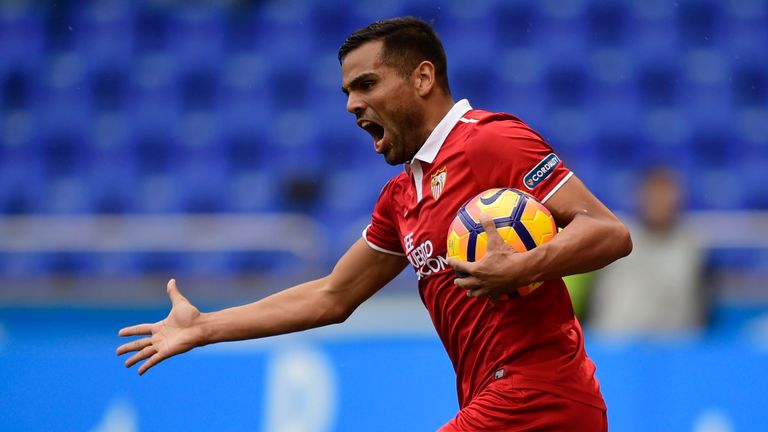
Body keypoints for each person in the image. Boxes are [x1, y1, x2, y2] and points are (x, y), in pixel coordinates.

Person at [117, 17, 632, 431]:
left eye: (366, 84)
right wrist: (206, 326)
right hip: (500, 399)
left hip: (538, 396)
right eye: (346, 91)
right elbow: (331, 296)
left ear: (423, 78)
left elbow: (609, 232)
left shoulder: (490, 142)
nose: (352, 105)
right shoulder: (400, 197)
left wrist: (522, 266)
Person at [588, 167, 707, 336]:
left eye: (665, 195)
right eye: (654, 195)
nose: (660, 202)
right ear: (639, 196)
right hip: (615, 344)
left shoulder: (692, 246)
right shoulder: (612, 238)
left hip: (675, 348)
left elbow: (702, 307)